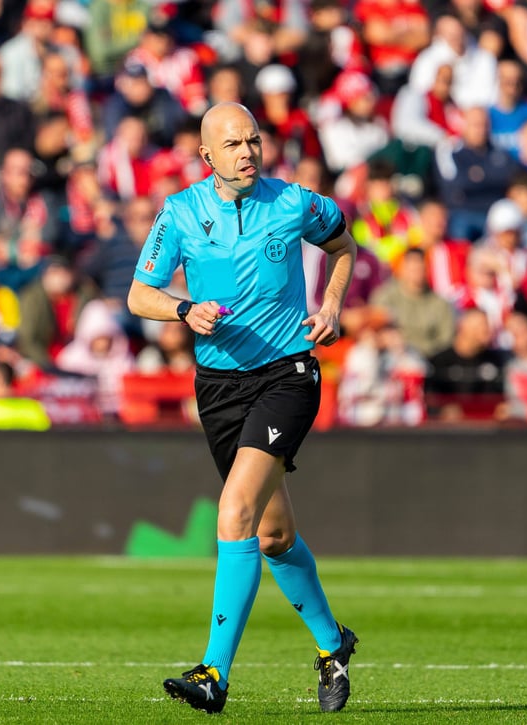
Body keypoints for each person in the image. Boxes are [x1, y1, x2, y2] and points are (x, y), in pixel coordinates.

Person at [128, 102, 359, 714]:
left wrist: (331, 305)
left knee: (233, 512)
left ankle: (213, 672)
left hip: (288, 373)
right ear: (208, 157)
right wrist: (182, 309)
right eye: (232, 144)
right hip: (219, 386)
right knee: (273, 532)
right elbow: (138, 293)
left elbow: (344, 246)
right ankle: (333, 648)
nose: (247, 152)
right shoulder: (179, 212)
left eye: (253, 140)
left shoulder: (294, 202)